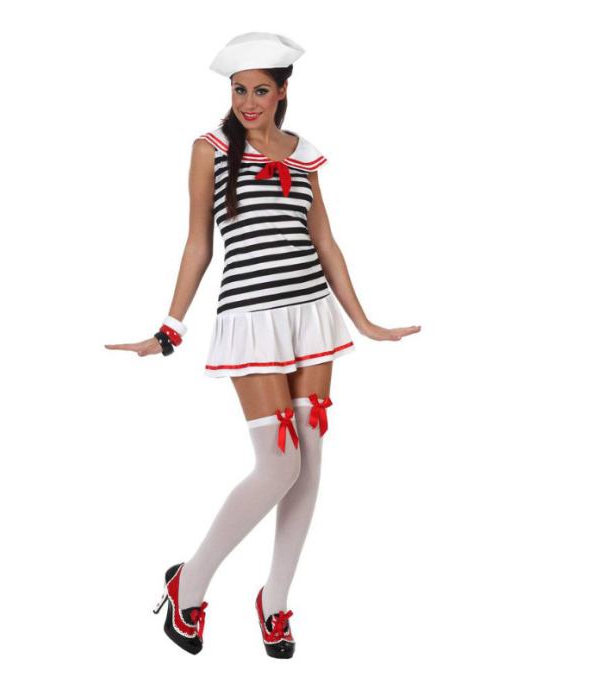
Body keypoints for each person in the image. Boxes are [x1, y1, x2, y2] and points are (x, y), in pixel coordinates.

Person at [105, 32, 421, 658]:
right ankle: (189, 583)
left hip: (311, 318)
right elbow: (199, 244)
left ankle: (274, 603)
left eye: (259, 90)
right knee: (278, 465)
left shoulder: (305, 154)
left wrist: (363, 321)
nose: (247, 102)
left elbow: (325, 242)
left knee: (309, 464)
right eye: (238, 90)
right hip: (250, 319)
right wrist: (170, 328)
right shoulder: (210, 149)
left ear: (282, 92)